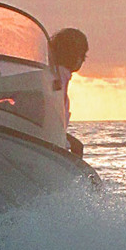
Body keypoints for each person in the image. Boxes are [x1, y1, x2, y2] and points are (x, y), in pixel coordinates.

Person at [50, 28, 88, 157]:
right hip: (50, 141)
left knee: (77, 146)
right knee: (77, 147)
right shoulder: (59, 76)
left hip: (52, 137)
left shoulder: (53, 73)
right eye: (82, 55)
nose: (83, 60)